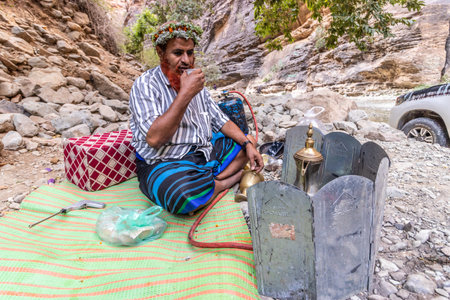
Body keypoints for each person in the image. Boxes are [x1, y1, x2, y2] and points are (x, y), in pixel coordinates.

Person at [129, 21, 264, 215]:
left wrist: (247, 143)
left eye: (190, 53)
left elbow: (220, 120)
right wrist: (185, 93)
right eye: (178, 53)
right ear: (161, 53)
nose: (186, 60)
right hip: (164, 162)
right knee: (180, 193)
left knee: (248, 141)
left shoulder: (197, 85)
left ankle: (207, 185)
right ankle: (221, 182)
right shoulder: (145, 85)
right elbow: (155, 139)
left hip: (203, 154)